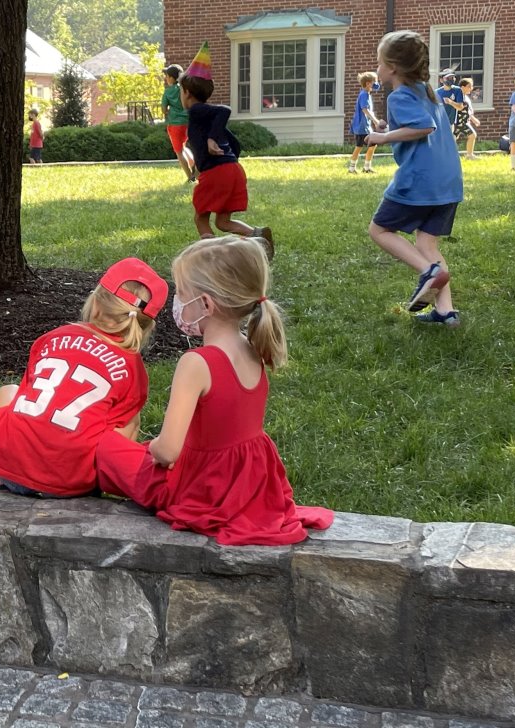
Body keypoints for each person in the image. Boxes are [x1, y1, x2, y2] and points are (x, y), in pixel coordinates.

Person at [96, 236, 334, 545]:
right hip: (249, 485)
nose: (177, 303)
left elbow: (168, 451)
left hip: (202, 488)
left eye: (182, 294)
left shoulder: (196, 363)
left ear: (206, 304)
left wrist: (151, 446)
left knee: (105, 448)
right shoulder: (253, 346)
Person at [0, 258, 167, 498]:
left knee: (9, 391)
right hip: (70, 481)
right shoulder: (132, 368)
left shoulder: (53, 337)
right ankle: (105, 482)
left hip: (11, 469)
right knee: (131, 419)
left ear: (95, 303)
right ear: (145, 324)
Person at [364, 30, 464, 327]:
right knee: (428, 244)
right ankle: (446, 311)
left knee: (379, 230)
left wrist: (383, 137)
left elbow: (424, 127)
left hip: (421, 180)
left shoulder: (399, 95)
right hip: (448, 181)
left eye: (380, 62)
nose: (377, 68)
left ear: (393, 67)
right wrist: (390, 129)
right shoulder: (426, 91)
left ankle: (428, 271)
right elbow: (419, 126)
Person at [179, 43, 274, 257]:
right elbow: (235, 143)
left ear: (187, 92)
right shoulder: (209, 119)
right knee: (223, 222)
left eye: (180, 92)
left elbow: (224, 109)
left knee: (201, 218)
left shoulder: (196, 110)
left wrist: (211, 139)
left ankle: (212, 255)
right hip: (232, 169)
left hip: (217, 173)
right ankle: (257, 236)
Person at [160, 64, 194, 182]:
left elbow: (164, 109)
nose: (166, 78)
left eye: (167, 76)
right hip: (188, 122)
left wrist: (168, 111)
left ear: (171, 78)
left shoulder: (168, 92)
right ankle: (194, 169)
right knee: (184, 147)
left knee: (179, 151)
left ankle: (190, 176)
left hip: (175, 124)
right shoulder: (185, 89)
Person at [348, 72, 385, 174]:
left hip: (365, 126)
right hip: (361, 127)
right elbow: (365, 109)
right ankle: (353, 168)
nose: (376, 84)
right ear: (368, 83)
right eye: (374, 82)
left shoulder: (366, 94)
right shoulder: (364, 95)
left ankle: (366, 167)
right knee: (360, 146)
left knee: (371, 145)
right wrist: (375, 120)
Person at [455, 78, 481, 160]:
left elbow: (468, 111)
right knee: (472, 135)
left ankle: (469, 155)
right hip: (459, 122)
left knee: (453, 138)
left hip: (464, 121)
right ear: (462, 87)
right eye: (469, 86)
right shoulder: (459, 97)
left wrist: (473, 119)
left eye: (471, 86)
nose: (471, 88)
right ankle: (469, 155)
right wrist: (473, 119)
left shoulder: (465, 97)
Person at [435, 70, 465, 134]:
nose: (450, 79)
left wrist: (451, 102)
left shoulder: (457, 90)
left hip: (450, 123)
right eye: (448, 78)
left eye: (452, 77)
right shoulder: (436, 92)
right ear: (441, 80)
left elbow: (460, 107)